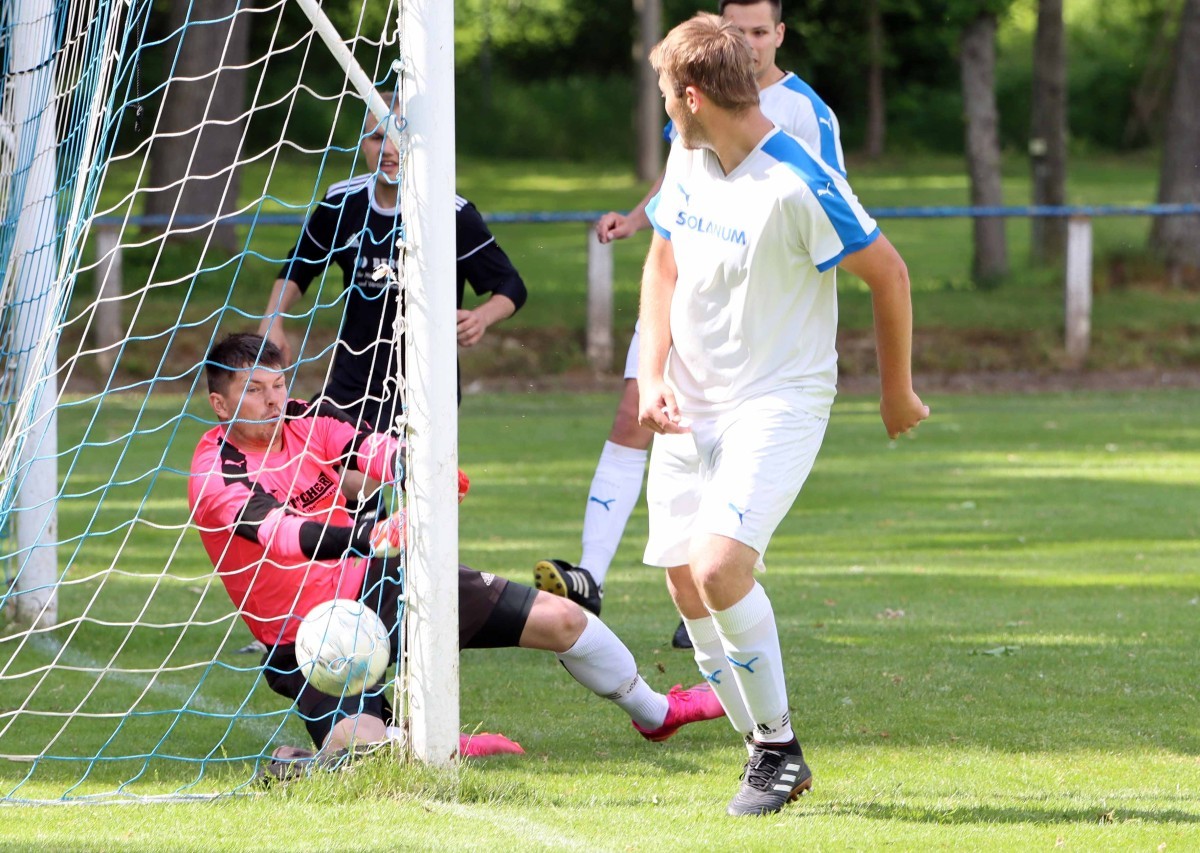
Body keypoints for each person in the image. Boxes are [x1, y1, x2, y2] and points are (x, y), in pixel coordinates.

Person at [635, 14, 928, 816]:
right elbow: (662, 261)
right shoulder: (688, 153)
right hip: (688, 402)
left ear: (693, 94)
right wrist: (653, 372)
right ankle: (761, 742)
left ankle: (777, 750)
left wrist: (894, 391)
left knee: (720, 567)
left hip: (779, 397)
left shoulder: (796, 180)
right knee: (683, 584)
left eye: (667, 92)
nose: (665, 105)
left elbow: (890, 274)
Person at [188, 333, 726, 761]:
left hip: (379, 584)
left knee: (563, 620)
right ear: (219, 403)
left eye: (277, 385)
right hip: (308, 636)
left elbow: (365, 446)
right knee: (362, 750)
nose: (272, 400)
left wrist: (421, 470)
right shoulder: (217, 473)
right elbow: (282, 535)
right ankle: (421, 744)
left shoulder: (302, 417)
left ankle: (656, 714)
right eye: (253, 391)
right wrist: (367, 535)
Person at [535, 0, 846, 651]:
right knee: (635, 412)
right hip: (682, 293)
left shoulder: (803, 117)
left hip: (754, 326)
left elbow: (834, 216)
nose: (750, 43)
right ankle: (595, 573)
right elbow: (685, 170)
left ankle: (720, 578)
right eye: (738, 31)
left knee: (733, 459)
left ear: (779, 35)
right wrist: (639, 218)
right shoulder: (693, 98)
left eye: (761, 32)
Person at [258, 94, 527, 435]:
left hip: (422, 386)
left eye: (398, 137)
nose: (387, 148)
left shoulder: (450, 213)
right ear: (362, 145)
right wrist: (273, 320)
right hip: (349, 381)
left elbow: (512, 286)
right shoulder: (341, 201)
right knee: (326, 474)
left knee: (395, 481)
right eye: (376, 137)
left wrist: (481, 317)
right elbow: (299, 266)